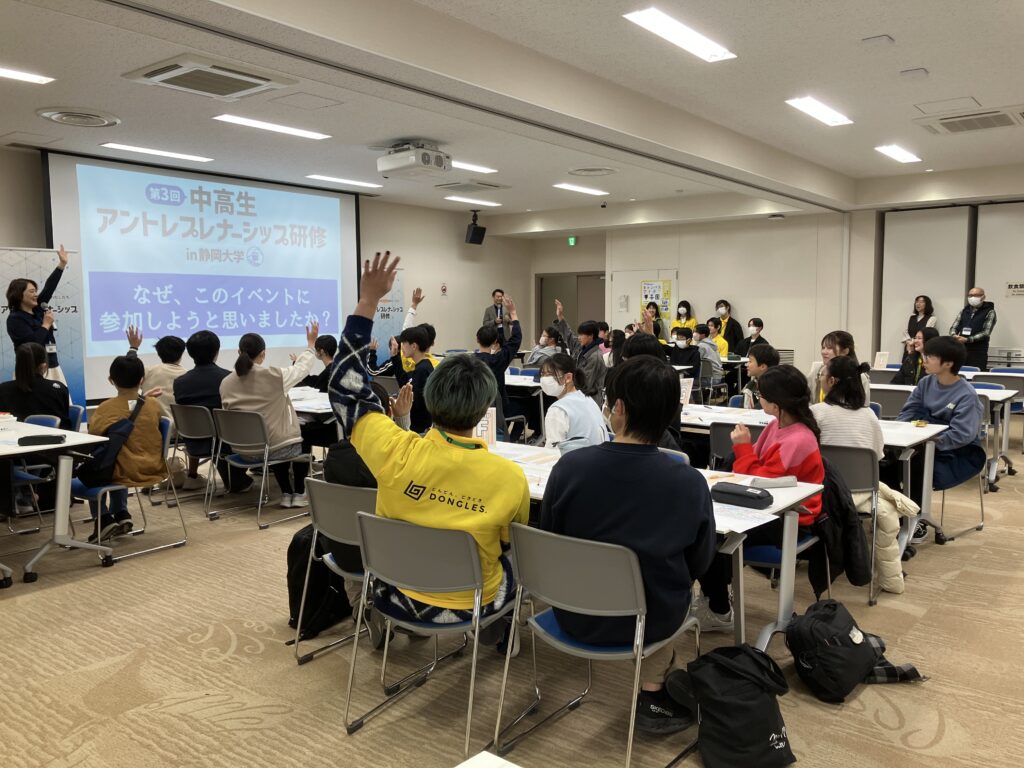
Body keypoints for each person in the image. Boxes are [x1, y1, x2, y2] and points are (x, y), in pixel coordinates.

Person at [328, 251, 530, 645]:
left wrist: (368, 300)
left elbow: (344, 388)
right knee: (517, 558)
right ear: (483, 410)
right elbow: (509, 542)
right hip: (472, 600)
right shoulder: (509, 477)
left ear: (430, 398)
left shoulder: (394, 450)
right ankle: (497, 633)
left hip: (395, 590)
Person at [540, 355, 716, 733]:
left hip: (573, 612)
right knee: (666, 585)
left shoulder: (569, 468)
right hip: (649, 621)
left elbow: (549, 538)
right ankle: (653, 694)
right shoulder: (689, 483)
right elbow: (701, 561)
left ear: (617, 409)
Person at [693, 364, 825, 631]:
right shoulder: (777, 424)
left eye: (761, 395)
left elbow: (759, 484)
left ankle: (720, 610)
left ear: (776, 404)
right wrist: (746, 452)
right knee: (705, 530)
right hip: (768, 509)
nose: (758, 398)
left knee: (712, 539)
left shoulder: (798, 439)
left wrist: (742, 447)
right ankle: (713, 599)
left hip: (790, 517)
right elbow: (755, 472)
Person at [219, 323, 320, 508]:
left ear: (238, 352)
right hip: (273, 449)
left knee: (274, 438)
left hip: (243, 452)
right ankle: (299, 493)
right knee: (298, 436)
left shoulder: (225, 383)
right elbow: (302, 368)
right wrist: (310, 345)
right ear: (263, 354)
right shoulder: (274, 376)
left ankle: (286, 493)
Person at [894, 336, 985, 510]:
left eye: (930, 357)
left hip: (954, 452)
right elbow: (909, 412)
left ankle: (915, 516)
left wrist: (927, 443)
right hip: (921, 442)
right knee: (885, 459)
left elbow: (962, 435)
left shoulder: (967, 395)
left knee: (914, 463)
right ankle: (895, 510)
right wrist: (901, 434)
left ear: (948, 363)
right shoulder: (926, 383)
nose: (925, 360)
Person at [86, 353, 165, 540]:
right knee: (120, 455)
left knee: (92, 469)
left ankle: (103, 519)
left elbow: (92, 439)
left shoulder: (105, 408)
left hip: (123, 471)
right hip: (153, 467)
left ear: (110, 380)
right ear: (142, 380)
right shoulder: (153, 404)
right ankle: (121, 513)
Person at [173, 330, 253, 493]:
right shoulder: (228, 378)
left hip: (193, 442)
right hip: (226, 443)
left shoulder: (180, 382)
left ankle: (236, 478)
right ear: (216, 351)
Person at [6, 244, 71, 383]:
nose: (36, 294)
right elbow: (31, 344)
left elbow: (49, 287)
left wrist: (61, 265)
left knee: (59, 396)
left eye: (36, 291)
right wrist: (46, 325)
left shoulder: (38, 309)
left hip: (52, 365)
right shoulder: (15, 319)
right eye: (31, 291)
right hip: (30, 371)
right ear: (19, 295)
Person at [811, 356, 883, 459]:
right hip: (861, 470)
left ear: (831, 381)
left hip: (826, 469)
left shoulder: (815, 412)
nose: (819, 379)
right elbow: (876, 456)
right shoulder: (870, 415)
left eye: (821, 375)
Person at [538, 353, 608, 453]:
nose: (545, 379)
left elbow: (553, 453)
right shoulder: (588, 399)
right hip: (599, 458)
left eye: (550, 375)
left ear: (568, 377)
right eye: (543, 374)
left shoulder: (558, 410)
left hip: (577, 461)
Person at [475, 296, 523, 438]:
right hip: (496, 408)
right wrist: (513, 313)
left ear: (477, 339)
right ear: (495, 342)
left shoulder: (468, 361)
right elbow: (516, 340)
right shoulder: (497, 360)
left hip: (473, 408)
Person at [0, 342, 71, 429]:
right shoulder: (58, 389)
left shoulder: (3, 390)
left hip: (14, 437)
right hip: (55, 437)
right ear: (43, 365)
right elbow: (66, 425)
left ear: (17, 364)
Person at [125, 327, 186, 421]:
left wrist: (133, 348)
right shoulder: (188, 376)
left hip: (153, 425)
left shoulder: (148, 372)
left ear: (158, 353)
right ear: (182, 353)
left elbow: (128, 369)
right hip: (182, 427)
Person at [554, 299, 606, 406]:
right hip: (577, 395)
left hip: (590, 401)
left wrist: (566, 386)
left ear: (591, 336)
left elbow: (585, 383)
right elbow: (568, 335)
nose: (579, 337)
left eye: (582, 335)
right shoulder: (581, 347)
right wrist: (560, 316)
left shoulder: (595, 356)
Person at [393, 325, 436, 434]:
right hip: (416, 426)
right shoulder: (420, 367)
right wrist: (394, 356)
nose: (402, 347)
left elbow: (417, 403)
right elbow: (403, 381)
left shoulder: (423, 370)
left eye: (404, 343)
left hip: (418, 429)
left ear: (414, 346)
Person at [808, 330, 871, 403]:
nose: (824, 352)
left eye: (829, 348)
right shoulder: (817, 371)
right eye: (823, 347)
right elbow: (806, 401)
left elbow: (863, 406)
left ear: (845, 351)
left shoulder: (859, 376)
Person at [949, 287, 997, 370]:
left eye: (976, 295)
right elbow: (954, 327)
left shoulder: (990, 311)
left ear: (983, 297)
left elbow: (986, 332)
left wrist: (968, 339)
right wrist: (954, 335)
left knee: (975, 373)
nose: (972, 298)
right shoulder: (965, 310)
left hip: (978, 351)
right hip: (961, 349)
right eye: (970, 295)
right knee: (959, 373)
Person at [742, 344, 780, 409]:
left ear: (762, 367)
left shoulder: (776, 388)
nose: (746, 364)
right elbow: (743, 410)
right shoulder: (750, 386)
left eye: (750, 361)